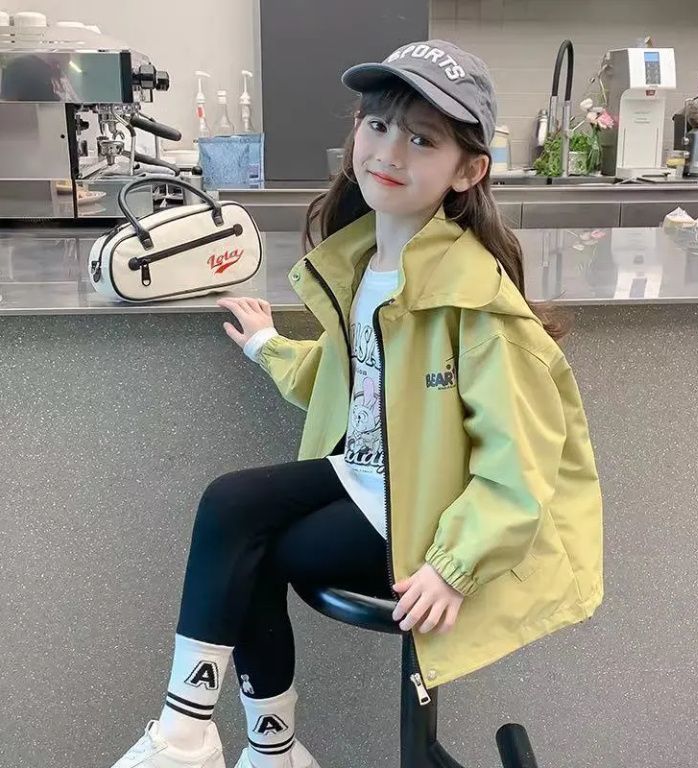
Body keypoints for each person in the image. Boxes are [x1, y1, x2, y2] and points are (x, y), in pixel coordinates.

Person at [108, 39, 603, 768]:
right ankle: (216, 740)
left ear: (468, 171)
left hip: (429, 518)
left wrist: (454, 565)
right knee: (228, 504)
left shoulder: (475, 302)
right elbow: (356, 380)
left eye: (422, 139)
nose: (389, 151)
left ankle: (240, 748)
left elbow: (521, 465)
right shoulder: (368, 261)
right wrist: (267, 346)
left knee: (251, 547)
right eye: (378, 124)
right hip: (370, 477)